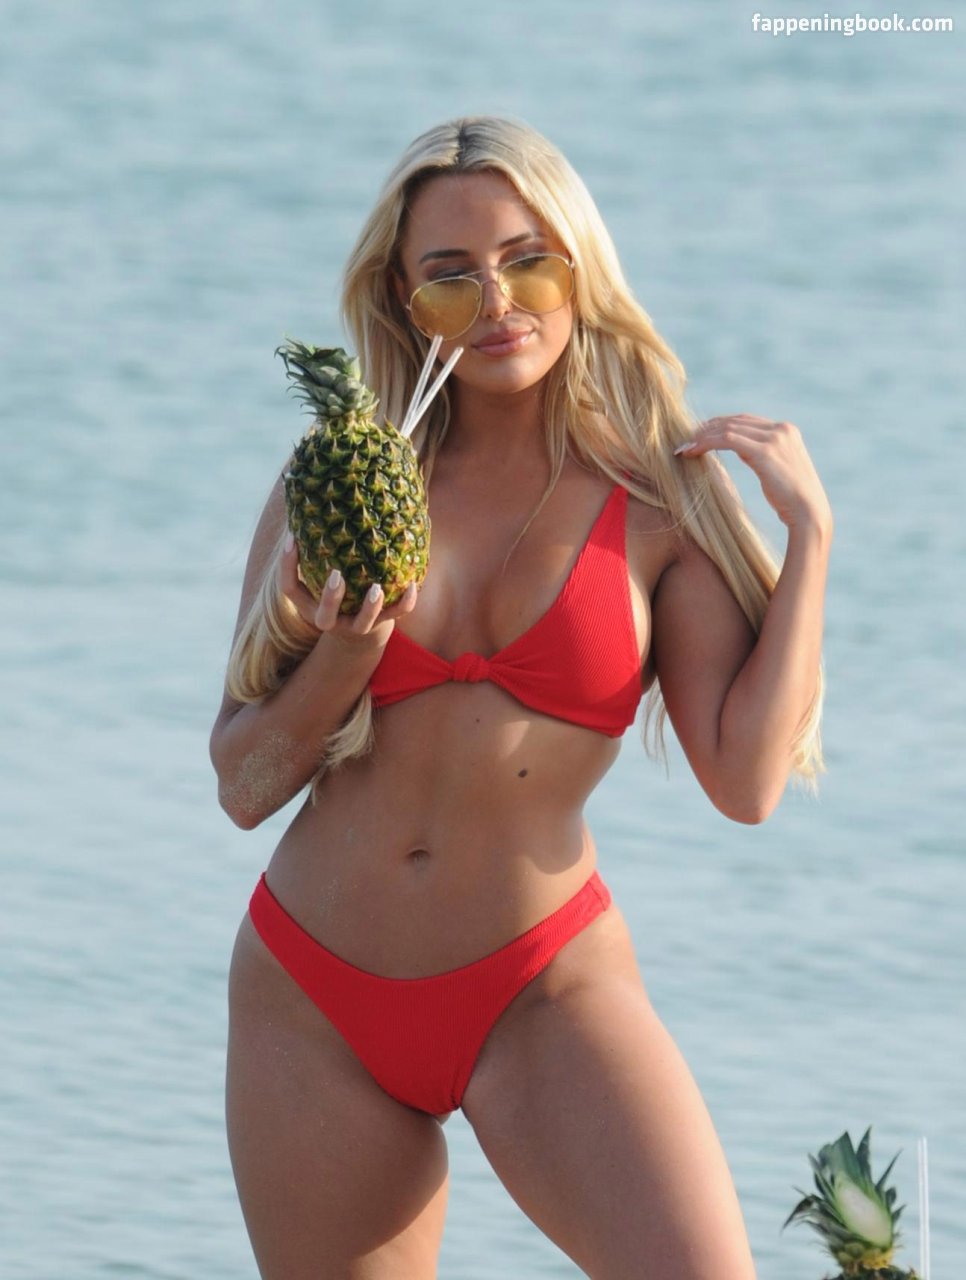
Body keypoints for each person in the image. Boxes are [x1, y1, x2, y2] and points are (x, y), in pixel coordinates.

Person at [210, 115, 831, 1280]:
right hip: (312, 995)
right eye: (452, 276)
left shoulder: (660, 505)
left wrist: (812, 544)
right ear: (405, 303)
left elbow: (745, 784)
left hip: (539, 984)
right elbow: (245, 785)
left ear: (578, 270)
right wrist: (347, 651)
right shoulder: (341, 483)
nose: (498, 302)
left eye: (528, 262)